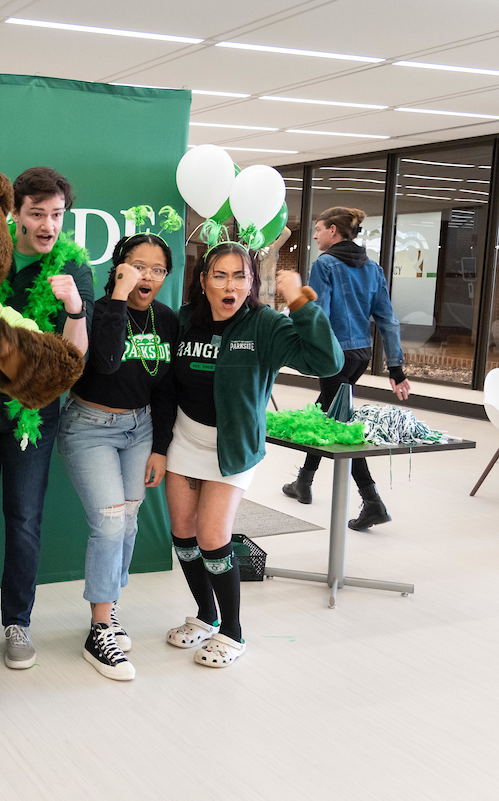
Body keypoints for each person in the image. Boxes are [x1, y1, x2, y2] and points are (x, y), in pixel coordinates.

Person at [165, 243, 341, 668]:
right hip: (183, 441)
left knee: (212, 537)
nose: (230, 285)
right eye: (220, 275)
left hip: (234, 448)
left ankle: (233, 632)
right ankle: (206, 616)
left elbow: (327, 361)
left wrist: (300, 302)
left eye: (240, 276)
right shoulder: (186, 320)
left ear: (252, 282)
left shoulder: (264, 324)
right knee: (184, 536)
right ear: (203, 281)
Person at [0, 166, 93, 670]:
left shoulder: (75, 268)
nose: (48, 225)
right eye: (37, 214)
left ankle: (17, 622)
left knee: (23, 519)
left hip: (35, 415)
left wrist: (74, 309)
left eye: (57, 214)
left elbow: (75, 359)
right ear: (16, 213)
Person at [56, 234, 178, 681]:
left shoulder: (166, 320)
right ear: (119, 267)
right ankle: (99, 628)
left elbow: (167, 389)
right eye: (137, 265)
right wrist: (118, 298)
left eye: (157, 269)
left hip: (140, 428)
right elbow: (105, 362)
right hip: (90, 427)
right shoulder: (97, 311)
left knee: (128, 519)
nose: (148, 275)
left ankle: (109, 609)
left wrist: (161, 448)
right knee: (108, 522)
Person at [281, 207, 410, 529]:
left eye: (319, 229)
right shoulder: (373, 269)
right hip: (360, 355)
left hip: (333, 355)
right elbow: (388, 320)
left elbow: (317, 314)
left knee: (338, 424)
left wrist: (290, 341)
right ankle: (304, 482)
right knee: (329, 413)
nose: (314, 235)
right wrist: (395, 369)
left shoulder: (325, 264)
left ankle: (372, 502)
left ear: (334, 231)